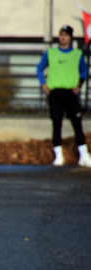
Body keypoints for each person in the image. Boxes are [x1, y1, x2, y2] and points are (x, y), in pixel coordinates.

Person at [36, 24, 91, 167]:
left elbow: (84, 71)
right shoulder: (51, 53)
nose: (62, 37)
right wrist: (43, 84)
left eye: (65, 35)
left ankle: (84, 155)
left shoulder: (77, 54)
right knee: (56, 123)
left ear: (70, 37)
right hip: (55, 93)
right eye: (61, 34)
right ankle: (59, 156)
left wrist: (79, 85)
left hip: (70, 94)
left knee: (77, 123)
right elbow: (40, 68)